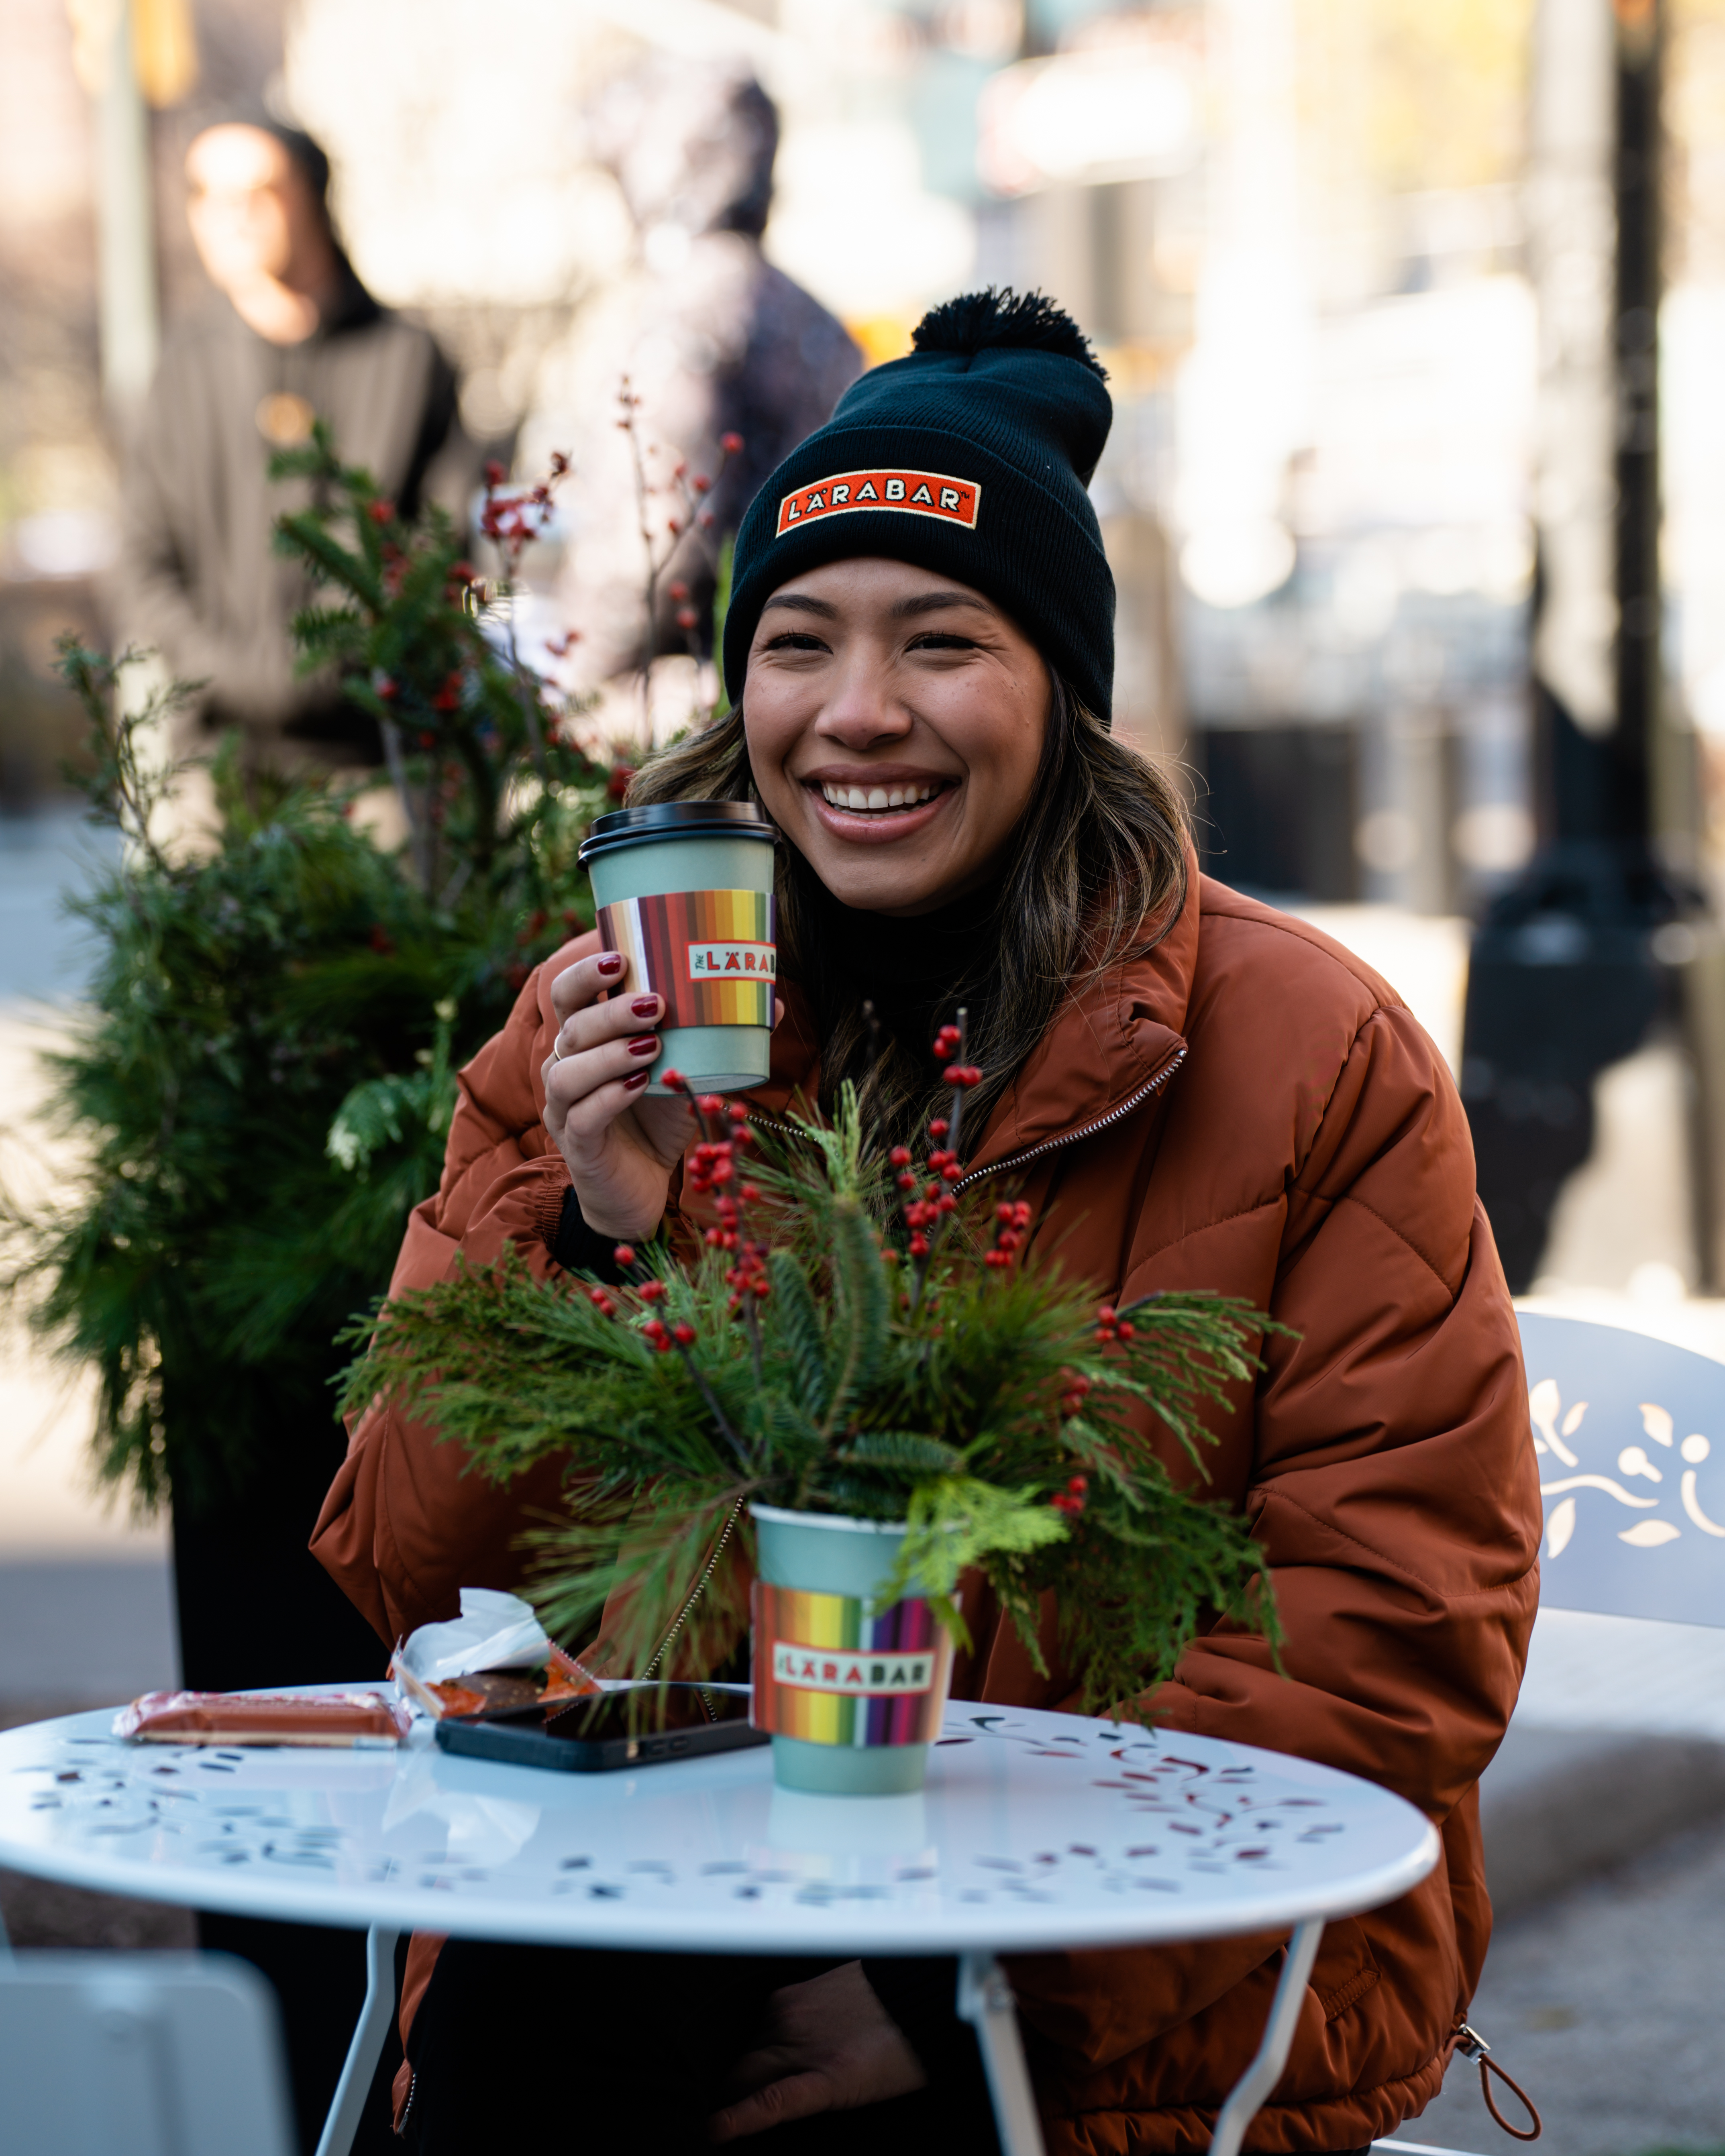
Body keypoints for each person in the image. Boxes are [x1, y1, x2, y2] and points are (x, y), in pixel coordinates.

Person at [312, 289, 1541, 2153]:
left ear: (1058, 686)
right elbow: (418, 1575)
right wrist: (600, 1237)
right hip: (662, 1906)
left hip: (1137, 1961)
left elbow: (1388, 1628)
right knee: (538, 2040)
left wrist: (951, 1975)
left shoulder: (1305, 1054)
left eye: (940, 640)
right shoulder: (599, 1029)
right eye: (795, 641)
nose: (856, 710)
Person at [110, 115, 476, 780]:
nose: (233, 218)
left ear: (314, 197)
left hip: (377, 759)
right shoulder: (180, 370)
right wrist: (226, 671)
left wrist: (334, 663)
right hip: (212, 760)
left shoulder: (407, 359)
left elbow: (442, 553)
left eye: (260, 192)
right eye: (207, 196)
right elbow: (142, 563)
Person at [519, 55, 861, 698]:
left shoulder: (677, 316)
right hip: (814, 679)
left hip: (695, 701)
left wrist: (576, 681)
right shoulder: (813, 318)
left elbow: (652, 543)